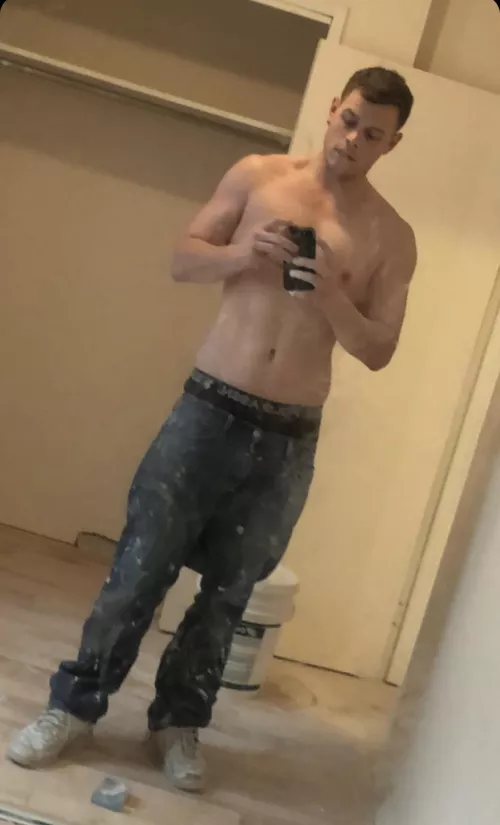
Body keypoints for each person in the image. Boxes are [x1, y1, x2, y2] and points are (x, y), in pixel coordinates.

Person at [7, 66, 417, 791]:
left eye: (373, 134)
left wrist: (329, 294)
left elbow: (380, 349)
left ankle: (178, 724)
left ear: (393, 143)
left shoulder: (390, 235)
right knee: (139, 568)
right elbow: (182, 258)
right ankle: (72, 707)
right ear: (333, 108)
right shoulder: (259, 176)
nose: (353, 139)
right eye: (350, 120)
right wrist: (242, 253)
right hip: (207, 408)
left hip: (288, 436)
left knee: (229, 595)